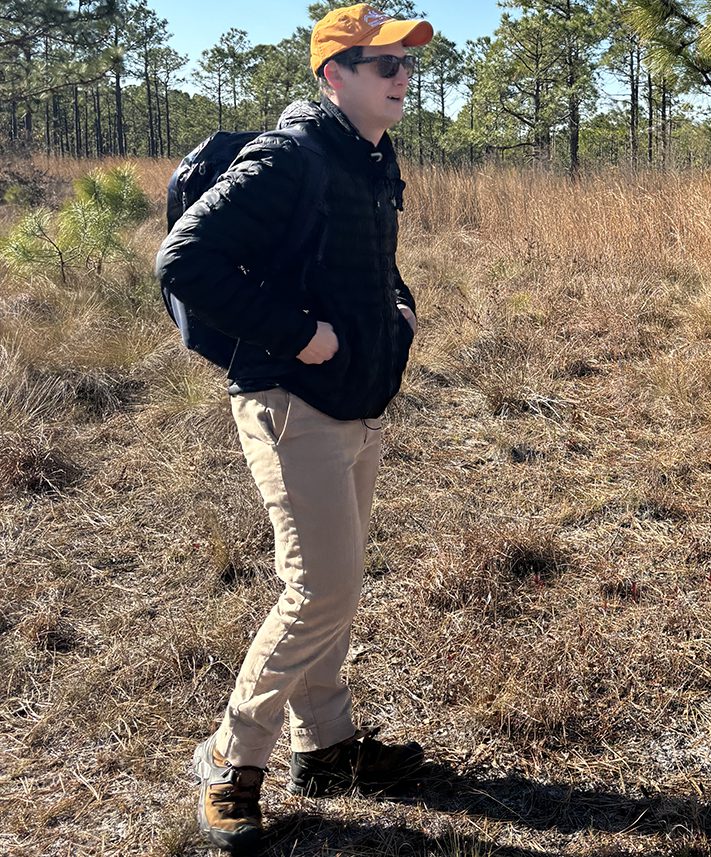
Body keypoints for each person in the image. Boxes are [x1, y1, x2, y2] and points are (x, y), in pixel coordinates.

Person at [155, 5, 433, 851]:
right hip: (289, 400)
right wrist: (299, 333)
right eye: (379, 62)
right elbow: (185, 261)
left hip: (357, 400)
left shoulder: (371, 156)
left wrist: (399, 312)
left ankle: (327, 746)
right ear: (332, 76)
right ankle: (228, 758)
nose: (400, 75)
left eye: (404, 62)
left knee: (338, 579)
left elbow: (367, 260)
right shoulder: (290, 156)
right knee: (321, 588)